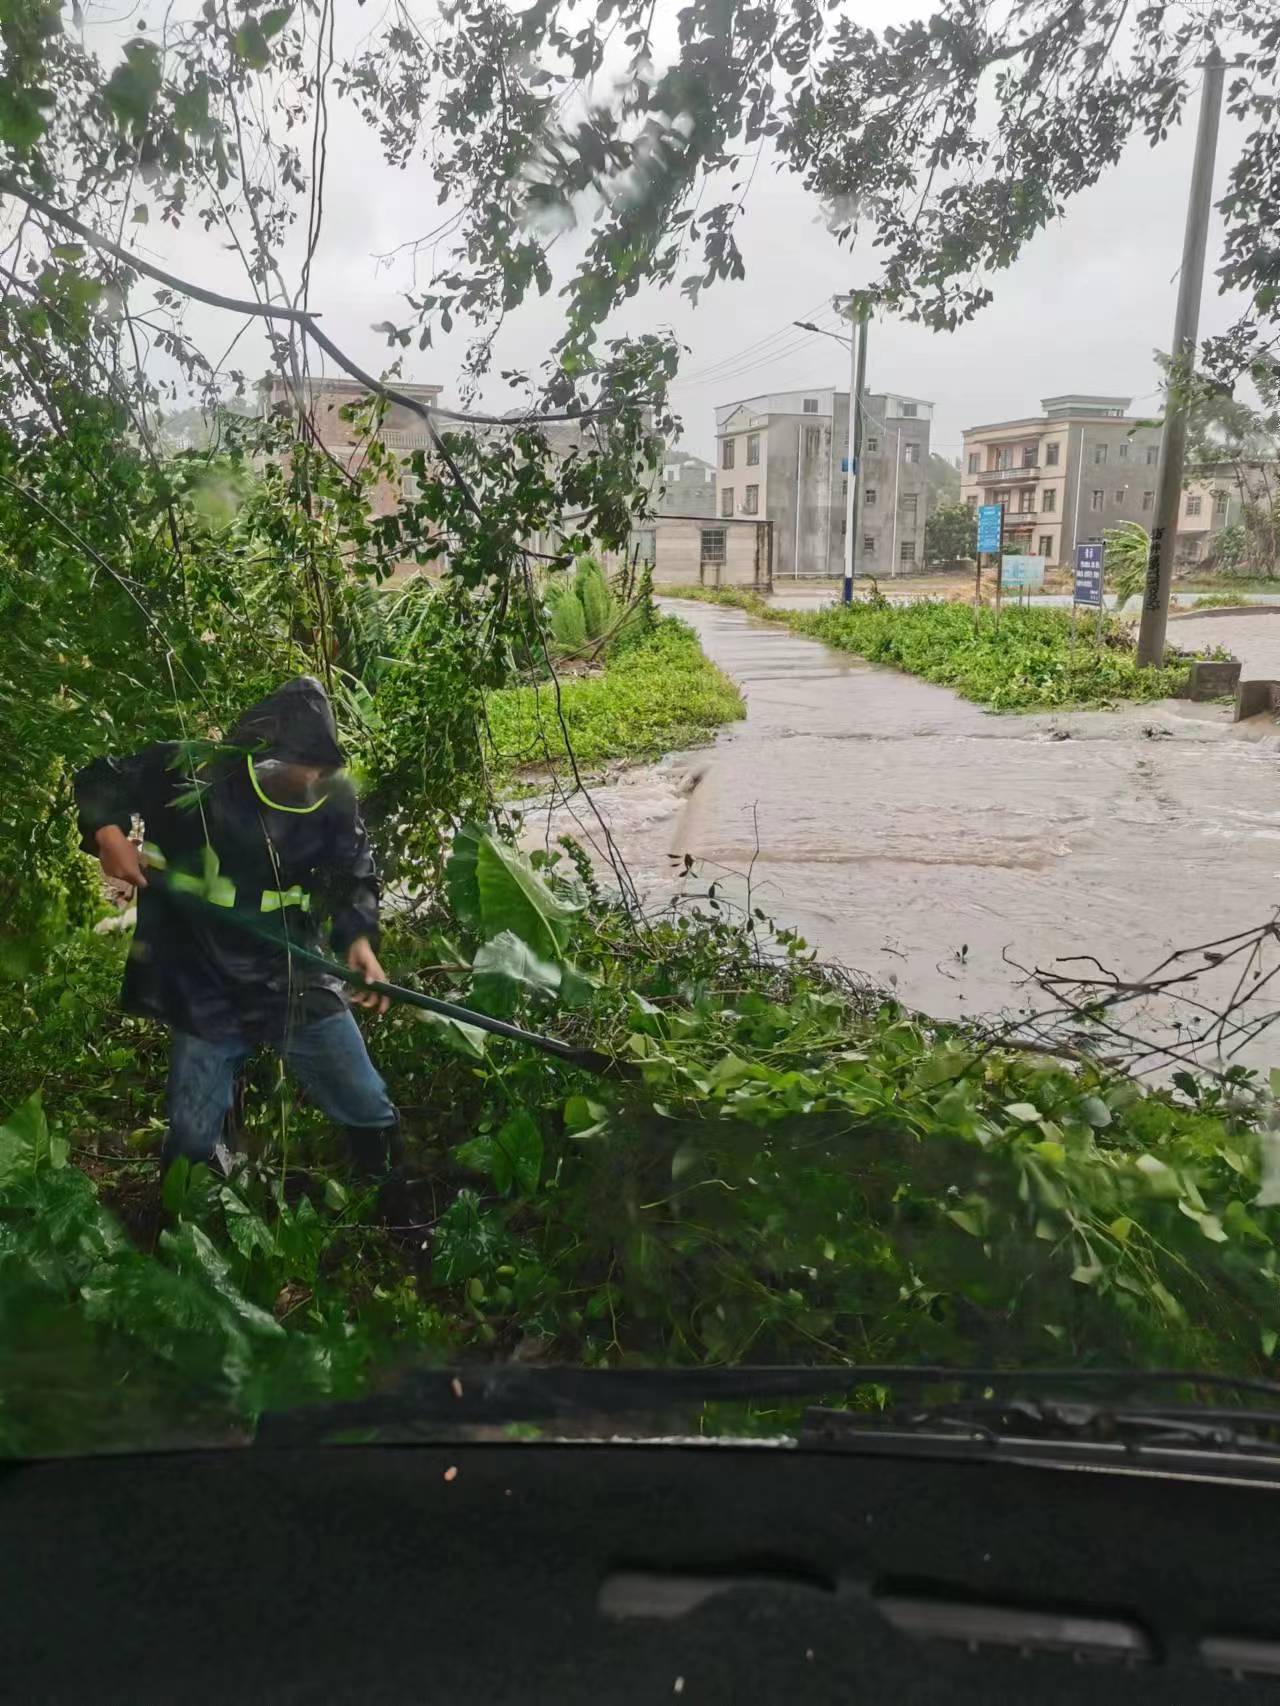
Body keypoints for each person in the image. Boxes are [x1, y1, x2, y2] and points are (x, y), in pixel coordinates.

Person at [73, 676, 402, 1179]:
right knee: (190, 1133)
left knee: (364, 1098)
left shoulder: (332, 800)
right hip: (207, 979)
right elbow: (101, 778)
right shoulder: (193, 776)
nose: (305, 779)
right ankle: (188, 1219)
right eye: (295, 766)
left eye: (316, 770)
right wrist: (107, 832)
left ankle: (391, 1199)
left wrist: (358, 939)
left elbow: (353, 871)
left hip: (294, 971)